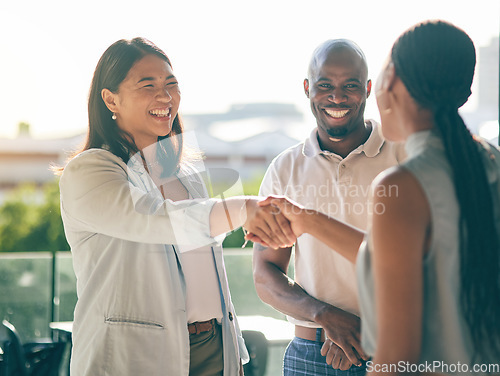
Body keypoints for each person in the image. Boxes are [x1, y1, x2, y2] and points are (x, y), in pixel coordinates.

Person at [254, 20, 500, 375]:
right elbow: (402, 260)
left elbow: (397, 348)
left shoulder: (403, 182)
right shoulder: (486, 163)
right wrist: (310, 222)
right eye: (325, 85)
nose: (338, 97)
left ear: (388, 83)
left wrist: (370, 338)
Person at [58, 37, 295, 376]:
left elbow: (210, 273)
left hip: (213, 348)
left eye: (171, 84)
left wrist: (230, 352)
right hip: (134, 357)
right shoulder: (90, 171)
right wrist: (243, 208)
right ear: (111, 98)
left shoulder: (185, 175)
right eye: (148, 85)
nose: (165, 96)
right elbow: (156, 219)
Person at [251, 39, 405, 375]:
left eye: (350, 85)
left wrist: (365, 329)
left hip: (394, 350)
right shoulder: (284, 168)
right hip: (310, 355)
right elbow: (265, 274)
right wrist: (325, 316)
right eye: (325, 86)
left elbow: (422, 264)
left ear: (367, 89)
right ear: (307, 88)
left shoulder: (403, 157)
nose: (337, 97)